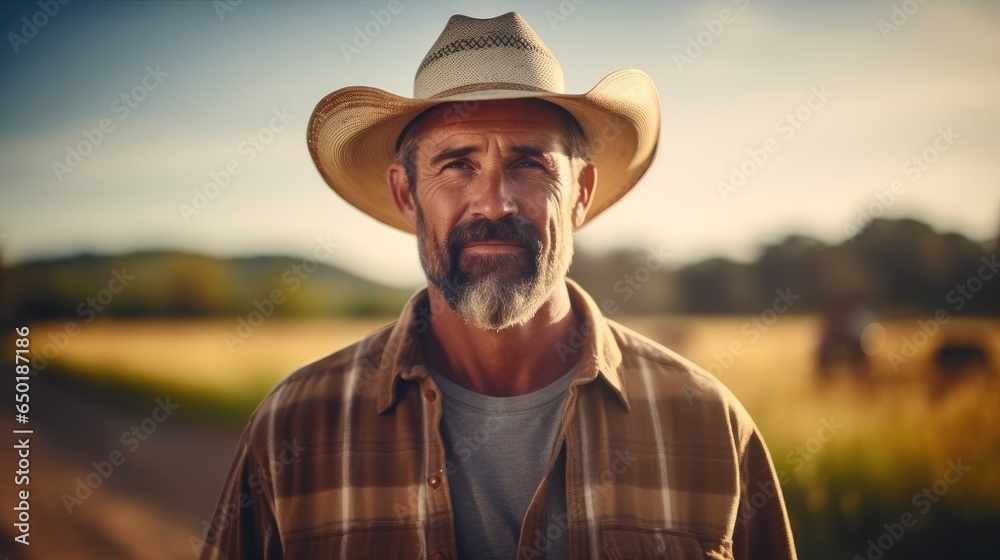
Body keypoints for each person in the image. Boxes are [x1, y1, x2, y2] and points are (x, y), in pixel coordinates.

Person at [200, 11, 797, 560]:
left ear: (581, 192)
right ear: (406, 194)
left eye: (529, 163)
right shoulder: (295, 426)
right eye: (457, 164)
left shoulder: (707, 425)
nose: (493, 201)